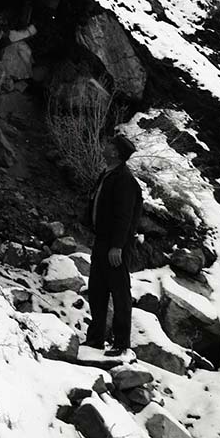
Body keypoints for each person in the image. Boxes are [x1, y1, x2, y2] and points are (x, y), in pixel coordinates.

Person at [84, 132, 143, 354]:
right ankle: (96, 338)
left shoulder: (125, 180)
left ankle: (121, 343)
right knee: (97, 289)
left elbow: (125, 216)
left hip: (116, 245)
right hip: (102, 241)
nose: (105, 146)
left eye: (109, 144)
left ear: (116, 153)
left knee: (119, 293)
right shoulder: (108, 174)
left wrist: (117, 246)